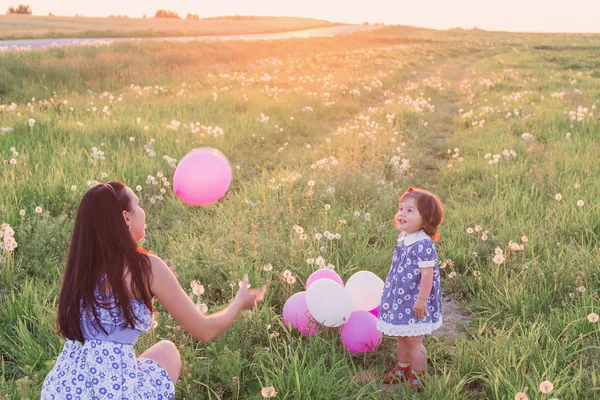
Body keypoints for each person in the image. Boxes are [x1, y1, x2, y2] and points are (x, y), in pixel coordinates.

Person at [41, 181, 266, 399]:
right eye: (138, 205)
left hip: (59, 391)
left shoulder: (82, 268)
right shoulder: (146, 268)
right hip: (113, 394)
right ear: (126, 217)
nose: (143, 212)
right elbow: (204, 330)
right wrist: (238, 303)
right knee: (168, 351)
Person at [376, 187, 444, 389]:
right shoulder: (405, 238)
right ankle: (402, 367)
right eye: (400, 208)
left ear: (426, 219)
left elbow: (427, 274)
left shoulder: (423, 244)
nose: (401, 214)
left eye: (410, 210)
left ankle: (419, 375)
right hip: (401, 299)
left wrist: (422, 299)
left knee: (414, 340)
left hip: (415, 300)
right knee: (402, 336)